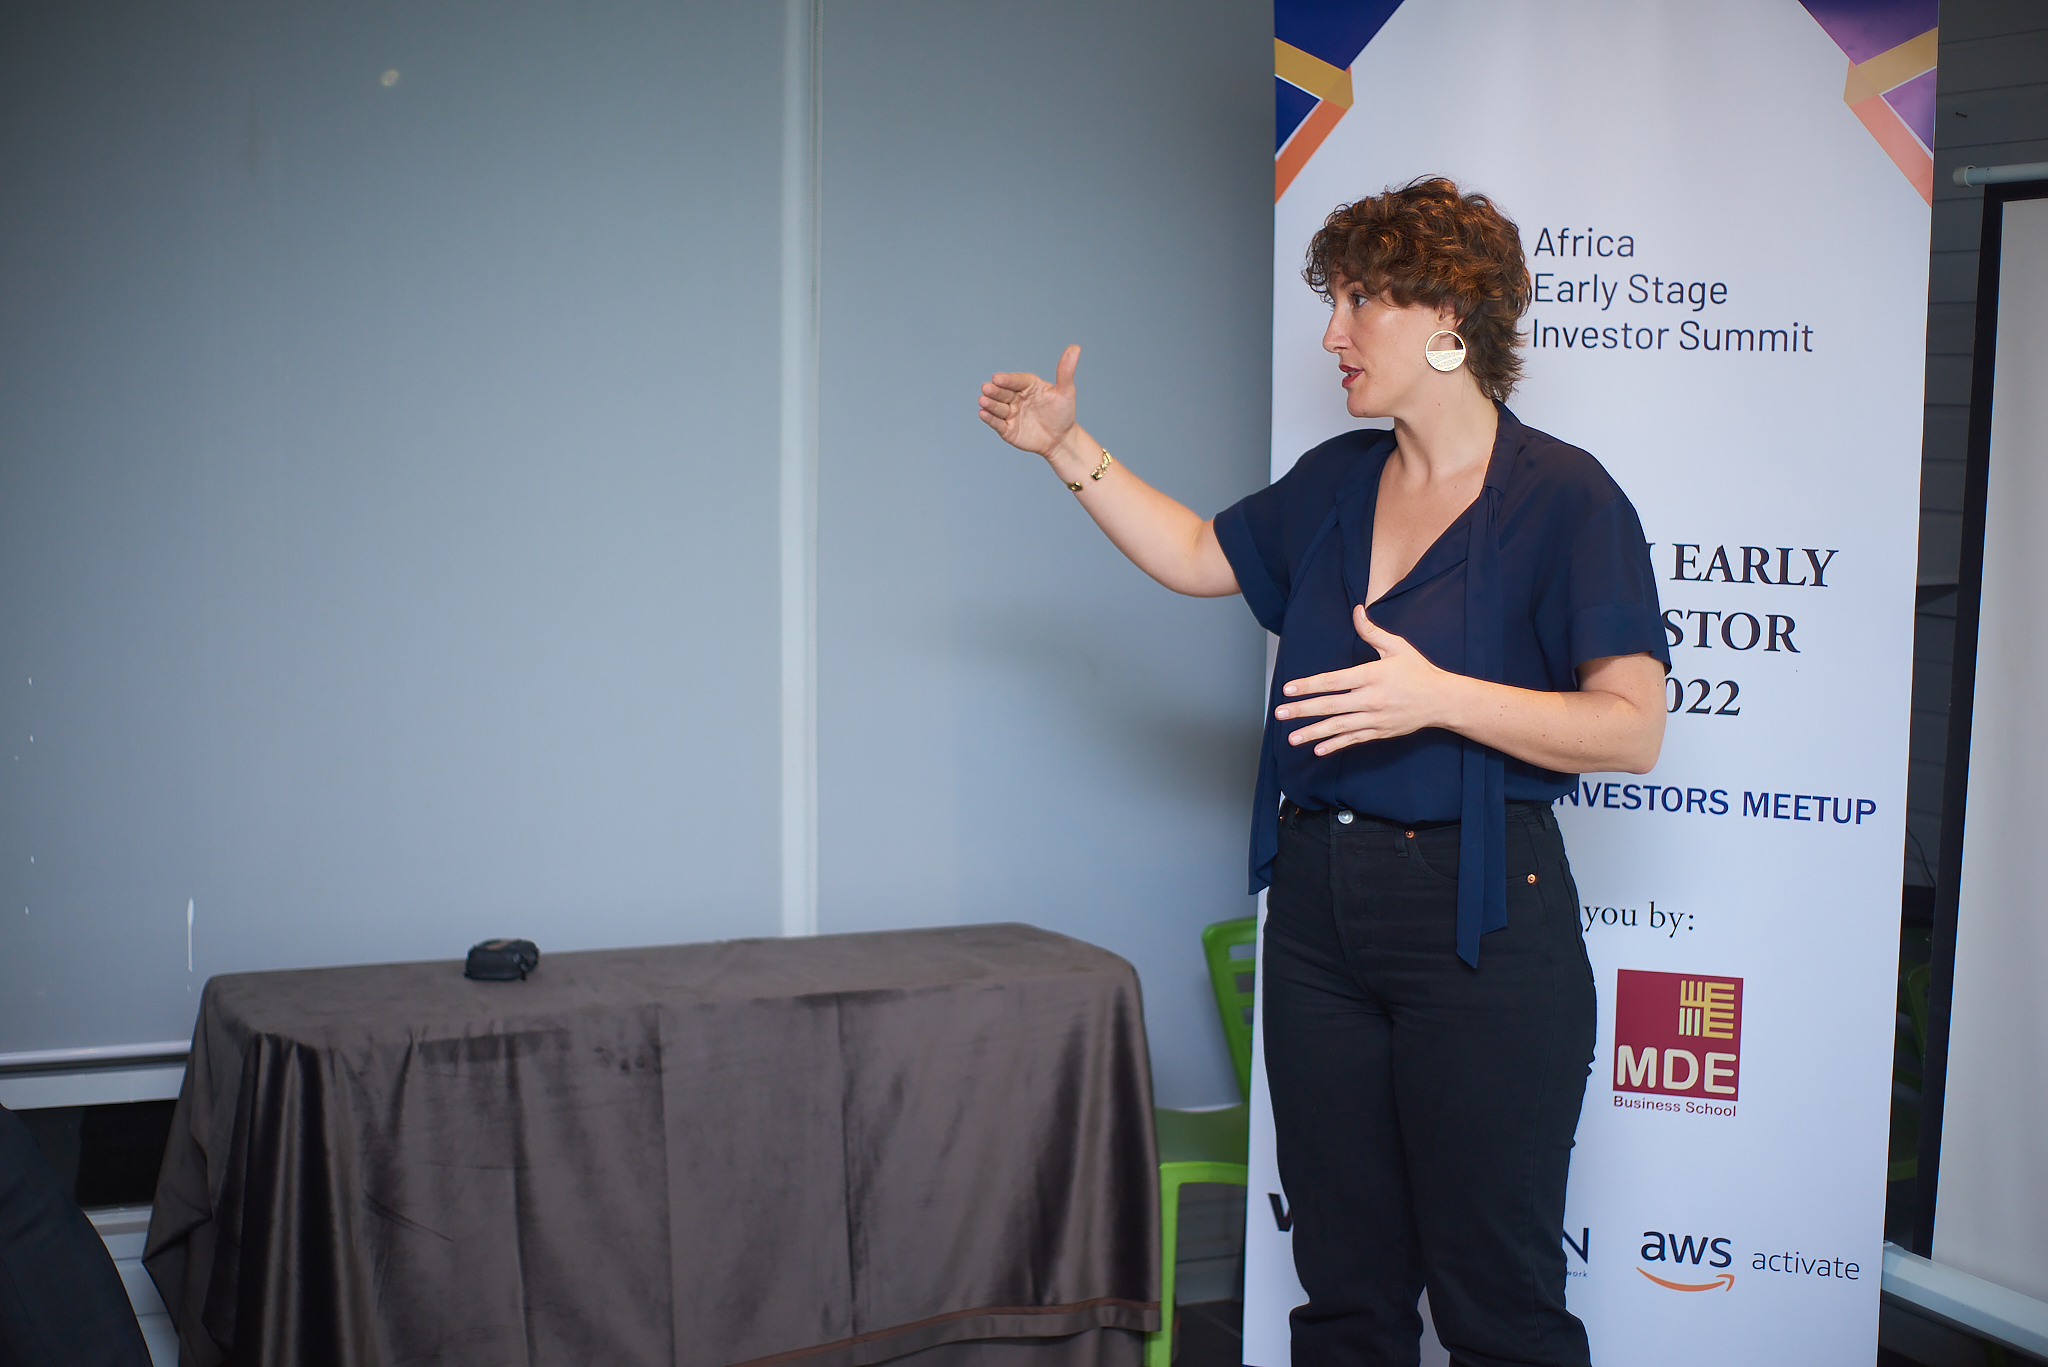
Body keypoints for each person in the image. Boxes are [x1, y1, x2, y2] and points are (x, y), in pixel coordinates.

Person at [977, 176, 1668, 1367]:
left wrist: (1440, 697)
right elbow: (1195, 553)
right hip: (1314, 911)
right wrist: (1064, 446)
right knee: (1344, 1292)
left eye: (1358, 302)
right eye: (1330, 300)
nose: (1330, 334)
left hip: (1481, 917)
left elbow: (1629, 727)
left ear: (1447, 317)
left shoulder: (1565, 496)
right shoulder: (1337, 479)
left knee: (1497, 1304)